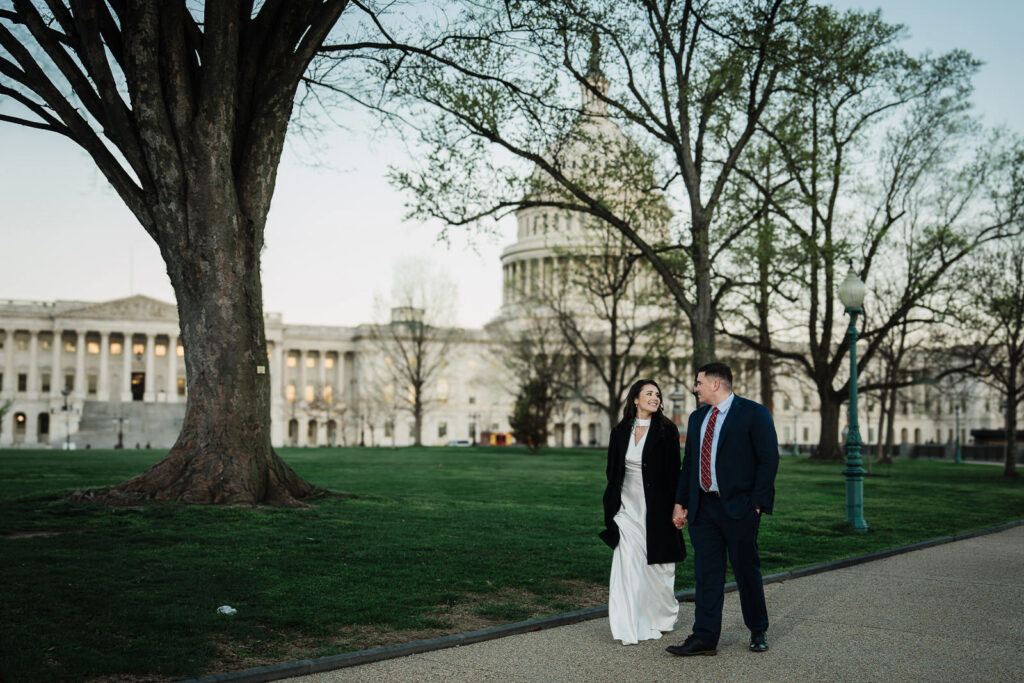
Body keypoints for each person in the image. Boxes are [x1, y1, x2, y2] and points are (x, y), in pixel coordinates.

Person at [666, 362, 779, 657]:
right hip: (703, 510)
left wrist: (756, 504)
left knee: (746, 571)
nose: (695, 388)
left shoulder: (754, 413)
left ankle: (757, 629)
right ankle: (704, 637)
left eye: (698, 382)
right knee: (706, 574)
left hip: (739, 508)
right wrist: (681, 502)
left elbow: (768, 460)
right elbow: (689, 464)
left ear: (716, 384)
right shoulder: (697, 417)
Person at [600, 378, 686, 645]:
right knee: (627, 568)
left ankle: (661, 616)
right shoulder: (620, 431)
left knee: (660, 570)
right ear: (635, 399)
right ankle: (628, 623)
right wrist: (612, 505)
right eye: (649, 393)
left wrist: (678, 506)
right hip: (626, 511)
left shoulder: (666, 430)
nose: (655, 397)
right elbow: (612, 471)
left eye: (657, 394)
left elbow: (675, 472)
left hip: (657, 511)